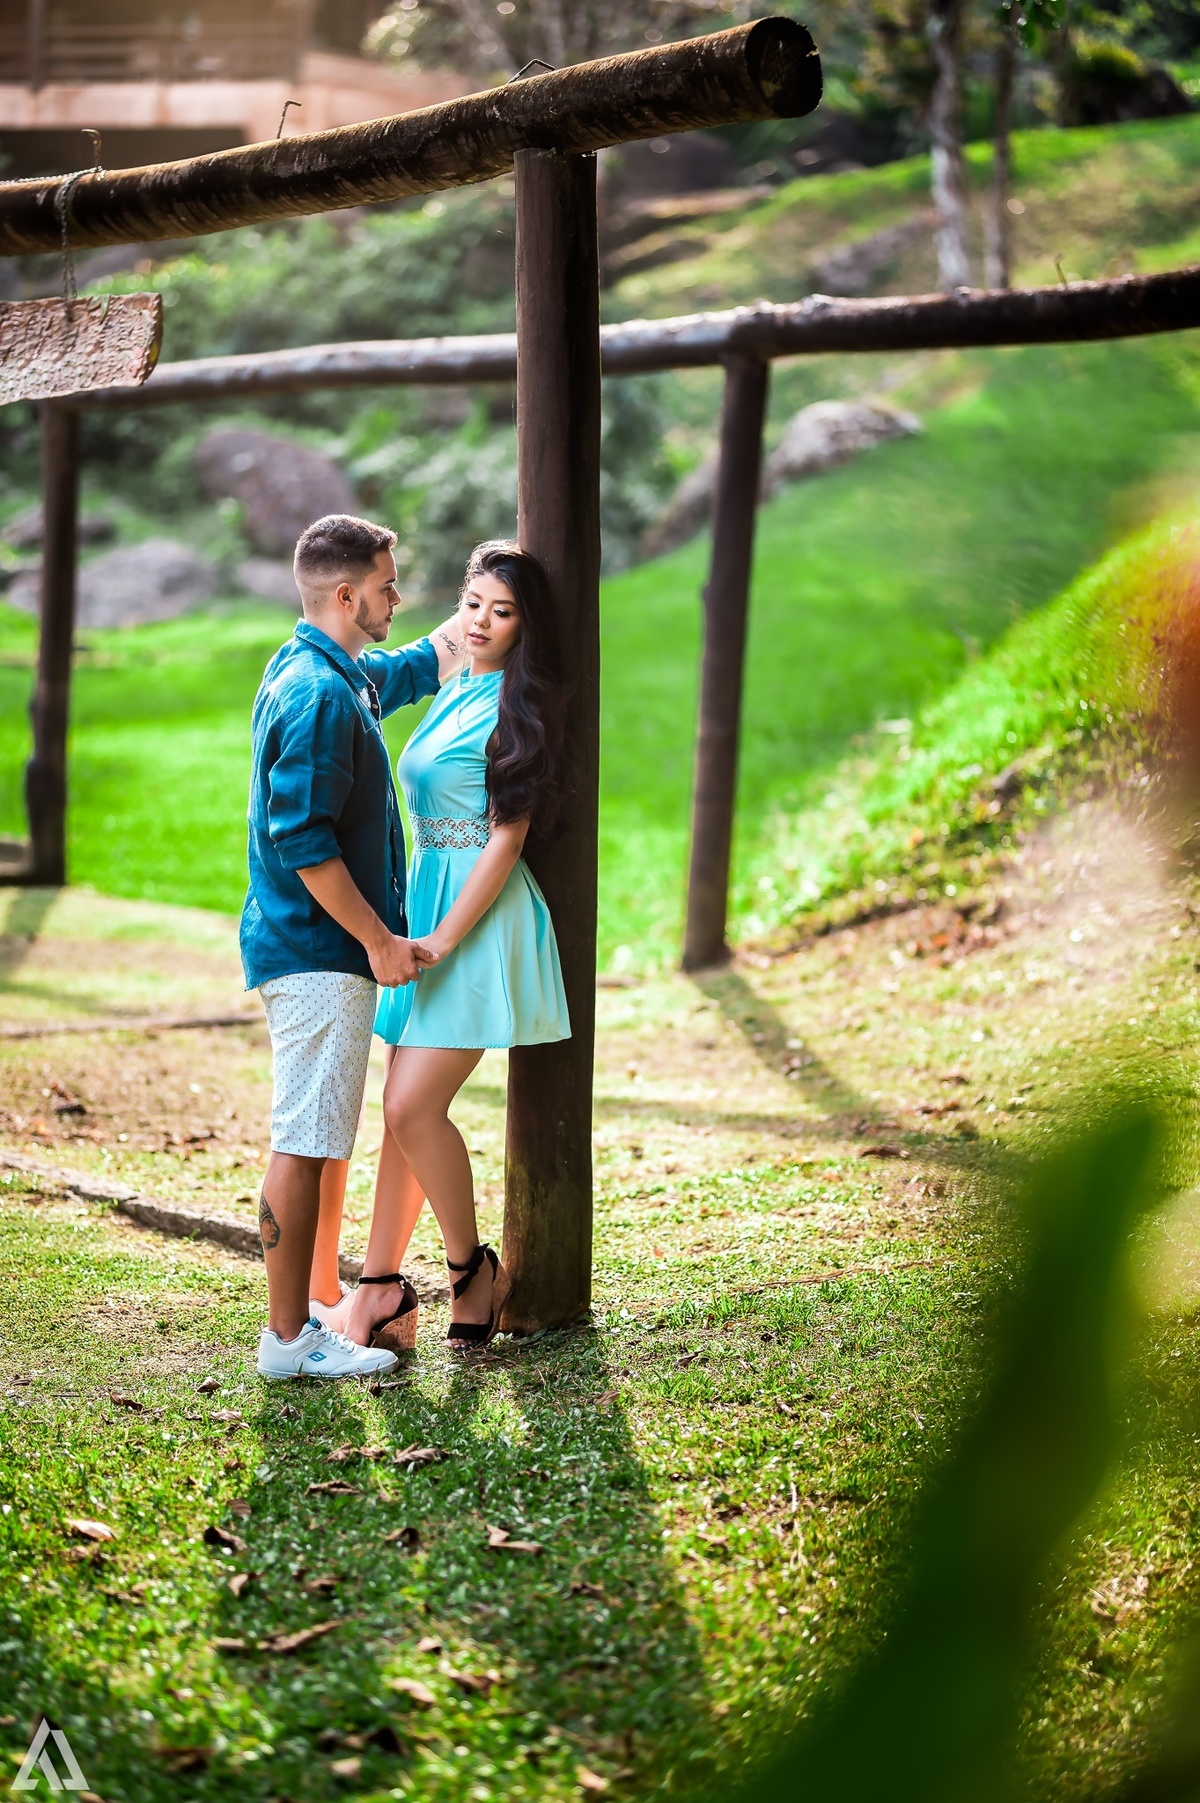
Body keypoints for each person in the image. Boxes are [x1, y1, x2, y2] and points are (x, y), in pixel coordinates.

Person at [333, 540, 570, 1354]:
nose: (481, 621)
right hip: (429, 899)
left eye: (503, 613)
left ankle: (472, 1270)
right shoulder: (457, 678)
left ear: (525, 629)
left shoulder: (516, 705)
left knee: (410, 1106)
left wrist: (439, 934)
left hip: (478, 915)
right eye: (473, 603)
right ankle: (378, 1291)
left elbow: (504, 841)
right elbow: (426, 645)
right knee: (401, 1116)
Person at [244, 513, 463, 1380]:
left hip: (316, 951)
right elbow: (301, 840)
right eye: (384, 584)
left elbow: (404, 667)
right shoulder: (320, 696)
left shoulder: (324, 670)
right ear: (345, 594)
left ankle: (304, 1319)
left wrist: (479, 617)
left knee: (317, 1135)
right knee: (302, 1139)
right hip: (317, 952)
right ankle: (287, 1340)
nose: (396, 598)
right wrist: (377, 939)